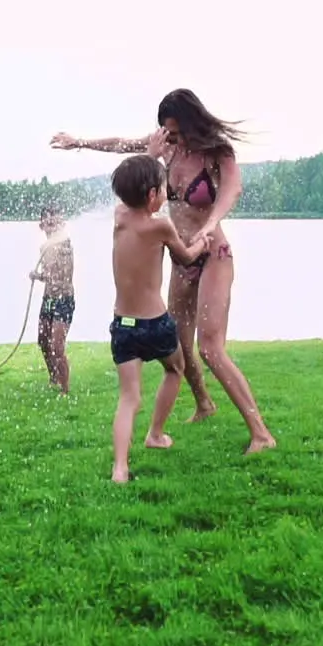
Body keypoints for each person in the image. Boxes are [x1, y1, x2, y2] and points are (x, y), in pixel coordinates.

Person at [49, 88, 276, 454]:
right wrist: (80, 143)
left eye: (176, 130)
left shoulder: (217, 151)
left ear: (190, 122)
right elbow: (123, 145)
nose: (171, 137)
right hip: (181, 257)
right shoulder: (166, 148)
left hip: (213, 251)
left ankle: (261, 434)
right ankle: (204, 403)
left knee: (210, 347)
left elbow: (231, 191)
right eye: (167, 131)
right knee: (179, 347)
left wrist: (211, 223)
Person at [107, 154, 209, 483]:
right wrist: (203, 243)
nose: (166, 194)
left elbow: (132, 192)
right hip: (155, 324)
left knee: (129, 397)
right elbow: (185, 256)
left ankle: (120, 468)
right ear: (152, 195)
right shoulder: (161, 226)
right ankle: (155, 434)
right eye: (163, 189)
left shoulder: (120, 216)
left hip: (123, 325)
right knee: (175, 368)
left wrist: (149, 155)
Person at [31, 204, 75, 394]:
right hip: (48, 299)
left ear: (60, 222)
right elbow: (51, 275)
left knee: (57, 346)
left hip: (64, 299)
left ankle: (65, 392)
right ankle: (53, 377)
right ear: (41, 225)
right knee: (43, 341)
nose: (49, 220)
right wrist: (37, 276)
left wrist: (60, 238)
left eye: (53, 216)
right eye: (46, 217)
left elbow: (63, 274)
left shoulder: (64, 243)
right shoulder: (44, 247)